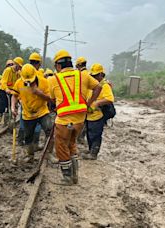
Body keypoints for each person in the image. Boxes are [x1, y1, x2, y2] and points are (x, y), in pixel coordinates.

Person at [48, 50, 102, 185]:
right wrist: (88, 103)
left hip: (63, 120)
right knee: (71, 144)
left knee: (61, 146)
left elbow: (52, 99)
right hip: (79, 120)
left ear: (58, 65)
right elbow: (98, 87)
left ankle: (67, 177)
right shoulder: (82, 75)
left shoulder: (54, 79)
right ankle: (74, 176)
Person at [11, 64, 53, 163]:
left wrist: (38, 92)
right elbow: (14, 95)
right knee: (28, 136)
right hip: (28, 114)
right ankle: (30, 155)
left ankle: (49, 154)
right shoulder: (19, 83)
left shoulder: (44, 82)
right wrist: (13, 107)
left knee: (50, 131)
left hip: (42, 112)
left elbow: (50, 98)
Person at [82, 63, 114, 160]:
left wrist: (96, 103)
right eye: (92, 76)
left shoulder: (104, 85)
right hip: (88, 114)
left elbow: (109, 99)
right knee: (89, 133)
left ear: (101, 75)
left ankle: (93, 153)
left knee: (95, 134)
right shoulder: (92, 84)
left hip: (97, 115)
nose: (93, 77)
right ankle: (91, 149)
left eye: (95, 76)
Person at [0, 57, 23, 126]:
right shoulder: (8, 70)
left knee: (12, 106)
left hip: (12, 91)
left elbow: (20, 82)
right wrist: (6, 89)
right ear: (16, 64)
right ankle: (4, 119)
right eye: (19, 66)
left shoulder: (18, 73)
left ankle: (10, 122)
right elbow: (3, 81)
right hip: (4, 90)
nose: (20, 68)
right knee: (4, 105)